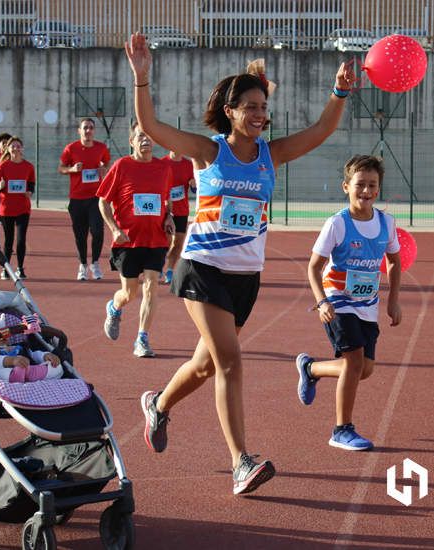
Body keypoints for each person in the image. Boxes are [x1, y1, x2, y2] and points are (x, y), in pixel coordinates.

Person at [125, 33, 356, 495]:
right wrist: (142, 79)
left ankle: (159, 403)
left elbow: (321, 131)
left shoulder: (270, 155)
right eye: (249, 106)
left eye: (263, 106)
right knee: (231, 362)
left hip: (245, 278)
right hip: (203, 268)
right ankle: (240, 462)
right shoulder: (209, 152)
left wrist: (340, 92)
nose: (259, 114)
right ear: (229, 111)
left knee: (207, 365)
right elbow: (151, 127)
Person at [295, 155, 402, 452]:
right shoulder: (337, 224)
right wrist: (322, 302)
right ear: (346, 186)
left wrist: (394, 300)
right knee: (354, 363)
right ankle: (342, 429)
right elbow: (314, 267)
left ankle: (311, 369)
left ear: (378, 189)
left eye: (372, 185)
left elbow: (394, 261)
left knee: (364, 369)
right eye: (360, 185)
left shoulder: (386, 223)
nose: (366, 191)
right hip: (338, 302)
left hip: (368, 304)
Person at [98, 122, 175, 358]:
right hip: (128, 241)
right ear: (131, 141)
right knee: (129, 293)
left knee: (152, 286)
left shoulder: (163, 168)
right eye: (140, 136)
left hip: (156, 239)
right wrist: (115, 229)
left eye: (149, 136)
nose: (146, 140)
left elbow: (167, 198)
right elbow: (103, 201)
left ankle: (142, 338)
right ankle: (114, 306)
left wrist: (169, 216)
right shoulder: (122, 166)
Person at [58, 118, 111, 281]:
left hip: (96, 198)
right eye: (85, 128)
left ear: (94, 131)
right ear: (79, 131)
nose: (88, 131)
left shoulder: (101, 148)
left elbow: (108, 164)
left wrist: (104, 169)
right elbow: (60, 168)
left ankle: (95, 263)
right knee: (80, 235)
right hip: (77, 199)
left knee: (97, 231)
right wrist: (72, 169)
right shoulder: (71, 148)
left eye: (91, 128)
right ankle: (82, 264)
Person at [0, 311, 63, 383]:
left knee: (57, 366)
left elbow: (32, 354)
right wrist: (10, 361)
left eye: (4, 329)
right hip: (5, 376)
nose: (1, 333)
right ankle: (13, 375)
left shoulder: (18, 346)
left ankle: (33, 373)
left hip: (29, 369)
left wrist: (45, 356)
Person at [0, 136, 35, 280]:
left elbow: (31, 184)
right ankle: (6, 269)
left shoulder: (28, 166)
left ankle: (20, 268)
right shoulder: (3, 166)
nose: (15, 148)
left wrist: (29, 191)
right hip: (7, 208)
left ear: (22, 149)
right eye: (13, 146)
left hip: (23, 208)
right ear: (8, 149)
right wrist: (0, 187)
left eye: (18, 146)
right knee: (9, 239)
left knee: (21, 239)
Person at [159, 150, 195, 284]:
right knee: (166, 241)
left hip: (182, 210)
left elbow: (194, 188)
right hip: (165, 210)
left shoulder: (189, 164)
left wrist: (193, 185)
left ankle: (169, 270)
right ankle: (158, 265)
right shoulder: (162, 163)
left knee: (178, 243)